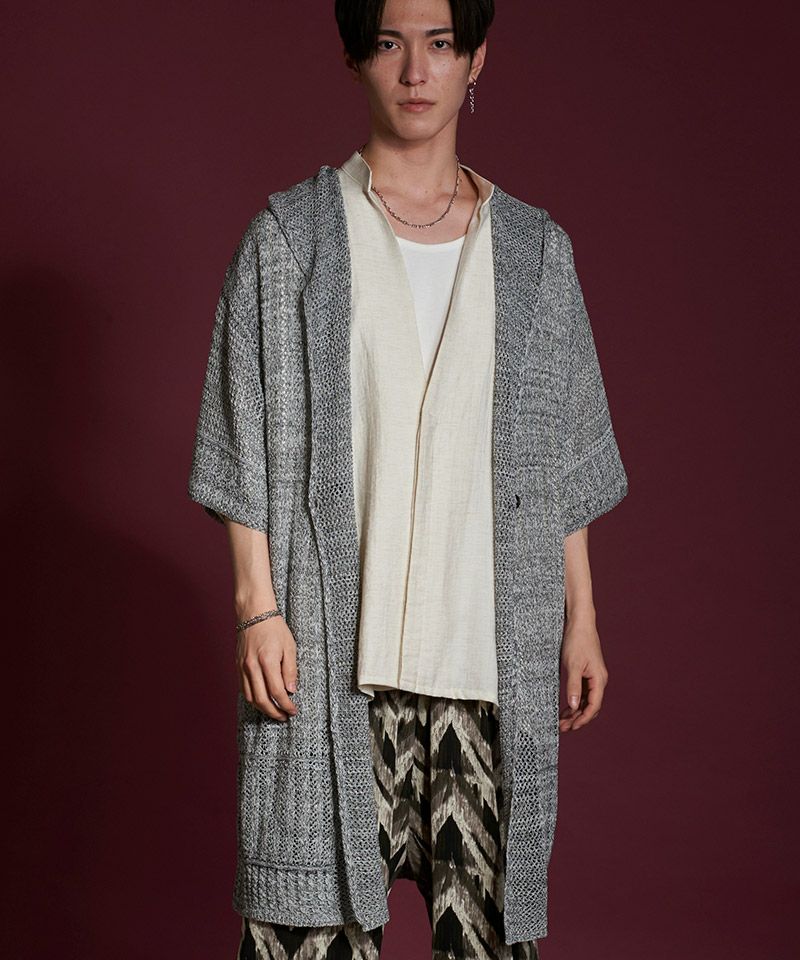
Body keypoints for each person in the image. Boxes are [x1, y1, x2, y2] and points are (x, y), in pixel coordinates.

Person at [187, 0, 630, 957]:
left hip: (485, 664)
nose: (417, 72)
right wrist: (258, 609)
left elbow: (562, 450)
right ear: (356, 57)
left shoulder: (535, 254)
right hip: (330, 666)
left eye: (441, 44)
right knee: (306, 932)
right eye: (390, 43)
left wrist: (581, 615)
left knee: (488, 942)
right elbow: (241, 434)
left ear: (478, 59)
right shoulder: (292, 239)